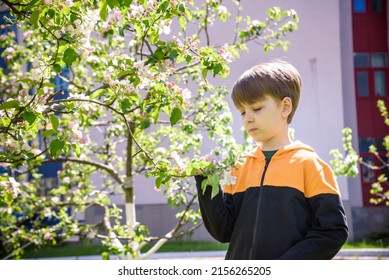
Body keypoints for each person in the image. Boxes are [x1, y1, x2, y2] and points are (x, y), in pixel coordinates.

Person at [195, 60, 348, 260]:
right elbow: (223, 232)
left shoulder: (309, 164)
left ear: (285, 107)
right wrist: (206, 180)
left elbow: (332, 232)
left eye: (256, 108)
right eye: (242, 112)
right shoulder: (240, 166)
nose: (247, 118)